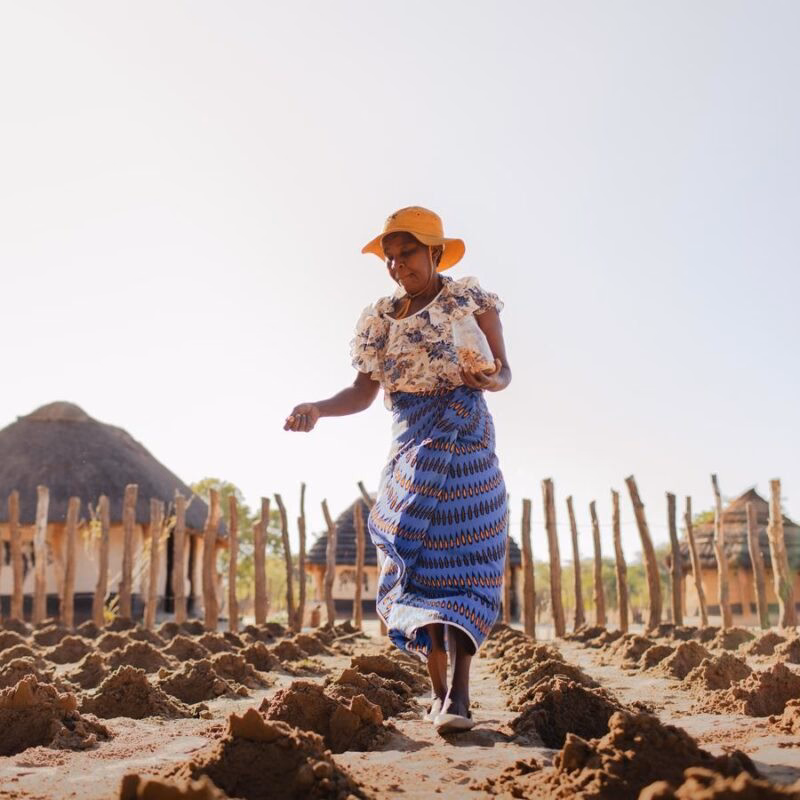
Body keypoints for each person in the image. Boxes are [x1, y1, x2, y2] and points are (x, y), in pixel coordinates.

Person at [284, 206, 511, 734]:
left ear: (434, 252)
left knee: (469, 555)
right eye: (389, 258)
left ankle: (459, 694)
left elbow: (503, 373)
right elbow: (363, 393)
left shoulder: (470, 301)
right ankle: (438, 692)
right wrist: (319, 407)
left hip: (466, 436)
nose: (396, 266)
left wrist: (485, 378)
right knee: (413, 556)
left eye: (406, 254)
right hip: (411, 443)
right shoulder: (380, 320)